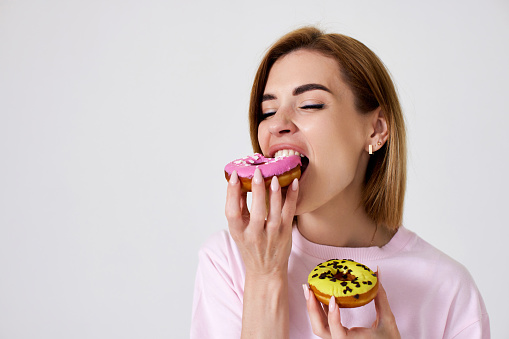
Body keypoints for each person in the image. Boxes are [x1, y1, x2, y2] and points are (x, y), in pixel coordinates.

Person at [191, 26, 490, 338]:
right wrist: (264, 275)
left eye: (309, 104)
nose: (277, 124)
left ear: (375, 129)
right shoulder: (228, 262)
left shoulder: (448, 290)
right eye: (268, 110)